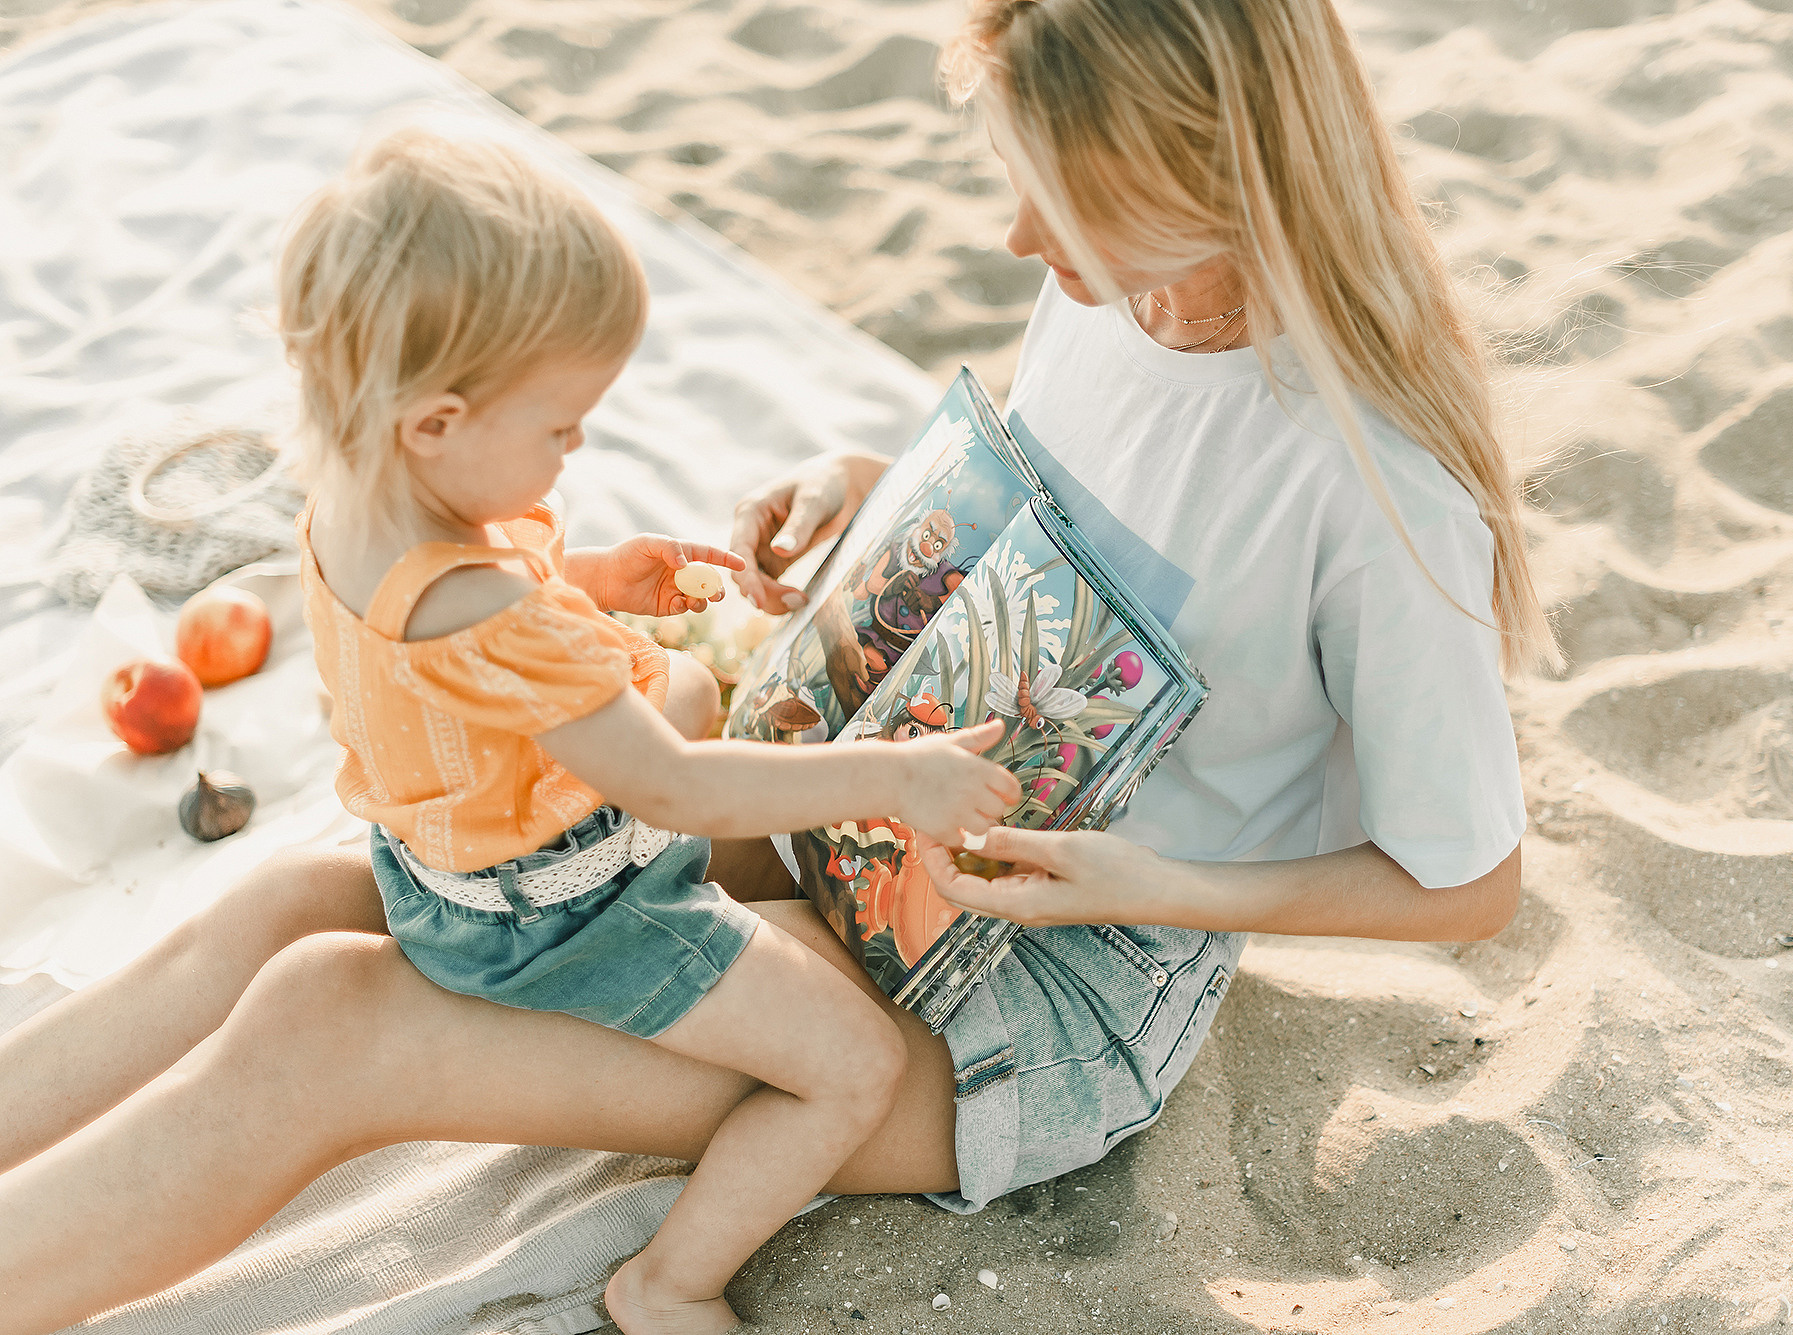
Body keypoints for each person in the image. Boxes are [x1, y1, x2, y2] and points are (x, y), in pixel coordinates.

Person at [0, 0, 1547, 1329]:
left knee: (330, 1022)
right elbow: (1082, 534)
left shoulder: (1375, 490)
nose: (1021, 239)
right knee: (293, 904)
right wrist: (881, 490)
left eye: (1058, 204)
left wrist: (1151, 884)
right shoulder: (1135, 284)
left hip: (1049, 970)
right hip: (888, 784)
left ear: (1210, 175)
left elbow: (1466, 884)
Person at [264, 128, 1019, 1335]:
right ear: (435, 422)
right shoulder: (478, 600)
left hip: (436, 875)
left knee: (686, 701)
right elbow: (676, 790)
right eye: (559, 428)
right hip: (558, 914)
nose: (577, 450)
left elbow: (463, 654)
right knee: (857, 1067)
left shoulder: (363, 507)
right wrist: (898, 775)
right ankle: (668, 1283)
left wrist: (596, 582)